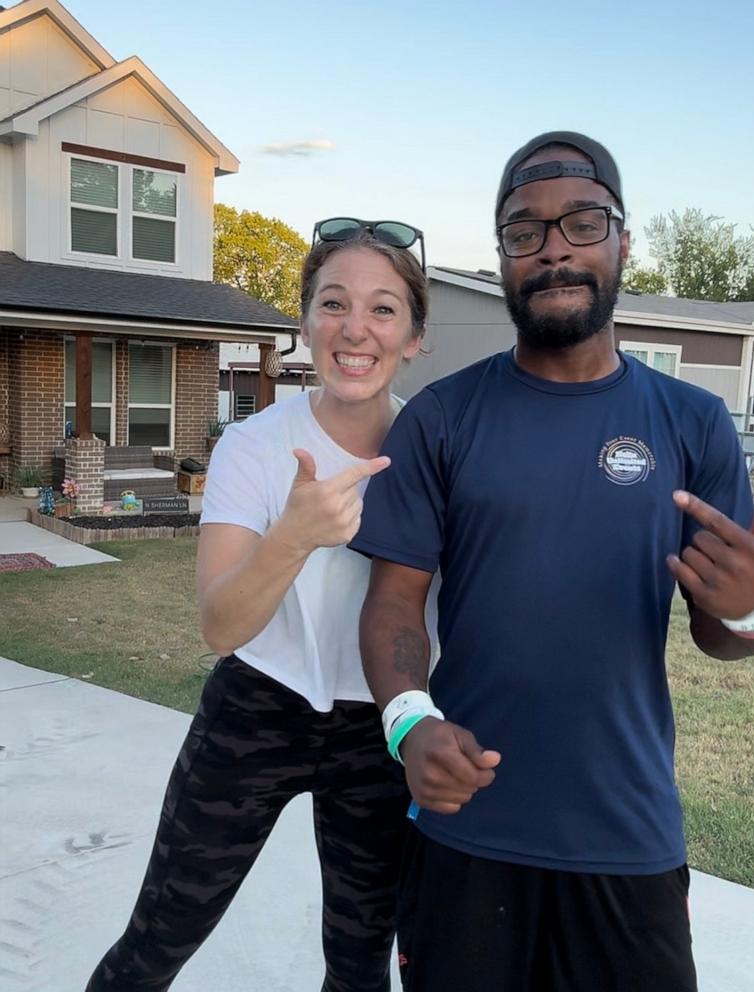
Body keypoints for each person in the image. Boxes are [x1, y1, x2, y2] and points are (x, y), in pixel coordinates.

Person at [350, 132, 754, 992]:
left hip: (624, 833)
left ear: (622, 242)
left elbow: (724, 638)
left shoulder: (692, 422)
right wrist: (408, 725)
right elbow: (394, 602)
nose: (553, 248)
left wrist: (751, 606)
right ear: (503, 256)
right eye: (524, 232)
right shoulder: (442, 419)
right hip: (465, 828)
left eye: (581, 223)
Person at [85, 218, 429, 992]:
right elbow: (220, 623)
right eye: (333, 302)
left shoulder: (436, 451)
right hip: (253, 713)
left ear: (413, 336)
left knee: (359, 966)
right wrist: (294, 536)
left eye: (382, 309)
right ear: (305, 322)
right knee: (155, 943)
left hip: (379, 729)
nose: (354, 328)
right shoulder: (254, 445)